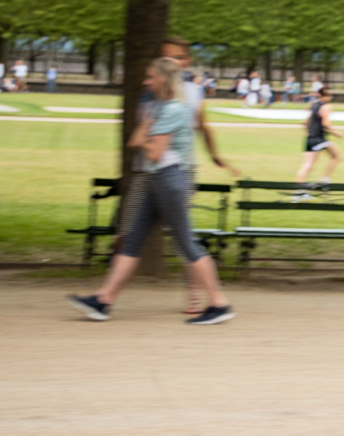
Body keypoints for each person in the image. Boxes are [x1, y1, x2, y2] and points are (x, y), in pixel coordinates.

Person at [67, 57, 234, 325]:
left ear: (163, 80)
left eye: (150, 77)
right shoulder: (159, 107)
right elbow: (138, 142)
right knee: (133, 240)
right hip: (158, 181)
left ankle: (219, 303)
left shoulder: (173, 110)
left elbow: (154, 153)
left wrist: (146, 134)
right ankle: (103, 299)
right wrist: (147, 134)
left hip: (170, 180)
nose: (146, 82)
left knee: (187, 244)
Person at [294, 86, 343, 198]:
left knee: (307, 165)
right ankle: (325, 179)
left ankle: (298, 193)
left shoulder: (314, 105)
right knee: (337, 156)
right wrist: (337, 133)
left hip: (310, 138)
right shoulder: (326, 106)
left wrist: (309, 133)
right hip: (319, 139)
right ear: (327, 96)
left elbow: (305, 123)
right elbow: (325, 124)